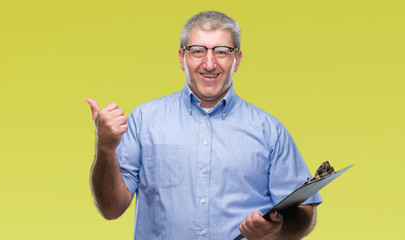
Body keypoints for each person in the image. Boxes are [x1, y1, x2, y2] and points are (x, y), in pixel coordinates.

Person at [86, 11, 322, 240]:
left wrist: (273, 233)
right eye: (198, 51)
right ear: (182, 58)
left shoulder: (269, 130)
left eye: (221, 52)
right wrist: (105, 148)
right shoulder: (144, 120)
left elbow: (305, 213)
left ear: (237, 60)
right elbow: (111, 209)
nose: (209, 64)